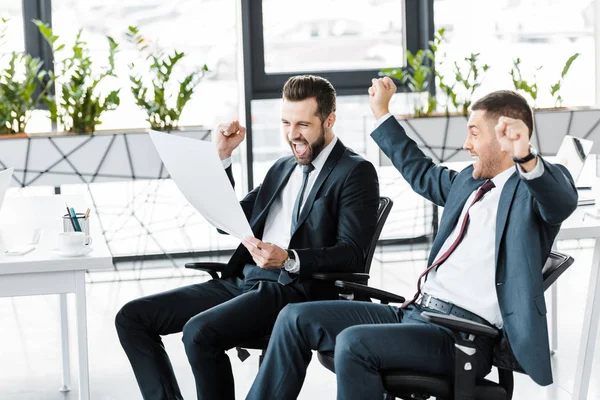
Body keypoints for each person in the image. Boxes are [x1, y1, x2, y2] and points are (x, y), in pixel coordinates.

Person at [247, 77, 578, 400]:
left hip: (462, 336)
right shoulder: (469, 182)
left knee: (353, 343)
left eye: (474, 133)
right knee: (294, 317)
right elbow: (421, 172)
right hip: (416, 313)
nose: (467, 144)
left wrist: (525, 156)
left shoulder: (531, 197)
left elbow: (560, 200)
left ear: (505, 139)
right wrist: (382, 113)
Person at [114, 75, 380, 400]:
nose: (292, 134)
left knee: (198, 332)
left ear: (329, 120)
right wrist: (222, 158)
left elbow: (352, 252)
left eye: (303, 124)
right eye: (285, 122)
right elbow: (231, 219)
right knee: (132, 318)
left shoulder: (354, 171)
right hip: (244, 281)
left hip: (290, 287)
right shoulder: (282, 168)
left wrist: (290, 258)